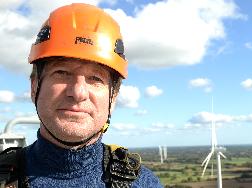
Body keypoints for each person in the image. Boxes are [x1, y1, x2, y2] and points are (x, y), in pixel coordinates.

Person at [0, 3, 163, 188]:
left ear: (113, 97)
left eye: (95, 78)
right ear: (34, 86)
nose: (78, 93)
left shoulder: (143, 184)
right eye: (61, 72)